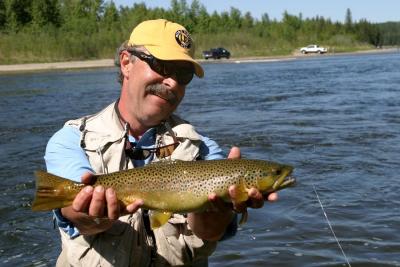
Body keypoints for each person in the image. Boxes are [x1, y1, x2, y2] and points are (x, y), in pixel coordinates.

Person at [45, 19, 278, 267]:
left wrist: (219, 212)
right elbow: (74, 214)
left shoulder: (204, 149)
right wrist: (94, 215)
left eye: (184, 74)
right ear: (126, 63)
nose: (173, 82)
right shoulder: (72, 140)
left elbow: (209, 233)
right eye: (163, 66)